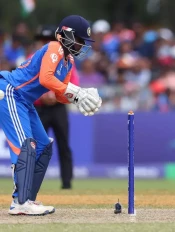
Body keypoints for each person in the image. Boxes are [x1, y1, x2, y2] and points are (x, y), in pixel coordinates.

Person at [0, 15, 102, 216]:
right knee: (26, 145)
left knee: (44, 146)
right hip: (10, 92)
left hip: (25, 101)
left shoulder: (69, 61)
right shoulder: (54, 47)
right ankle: (19, 202)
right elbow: (46, 78)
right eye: (79, 40)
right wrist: (75, 91)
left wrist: (78, 98)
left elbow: (58, 94)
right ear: (67, 35)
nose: (81, 46)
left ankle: (27, 199)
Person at [33, 25, 79, 190]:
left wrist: (56, 95)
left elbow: (73, 83)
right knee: (36, 145)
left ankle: (67, 182)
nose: (45, 43)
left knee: (63, 144)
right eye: (42, 40)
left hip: (59, 108)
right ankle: (31, 182)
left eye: (48, 40)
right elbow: (27, 83)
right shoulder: (33, 57)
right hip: (39, 108)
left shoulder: (65, 58)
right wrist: (42, 96)